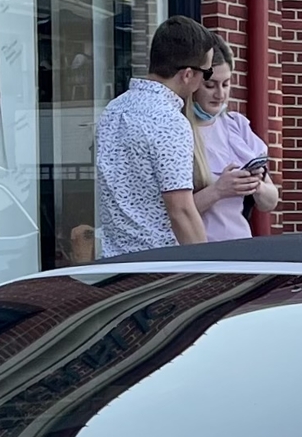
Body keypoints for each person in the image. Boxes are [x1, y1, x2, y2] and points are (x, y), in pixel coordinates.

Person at [90, 15, 220, 257]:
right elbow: (180, 210)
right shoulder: (170, 121)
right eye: (207, 71)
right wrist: (208, 268)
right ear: (188, 74)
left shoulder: (113, 110)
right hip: (158, 265)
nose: (207, 78)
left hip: (113, 261)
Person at [190, 37, 278, 242]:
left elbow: (270, 201)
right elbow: (174, 213)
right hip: (199, 251)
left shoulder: (236, 126)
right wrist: (218, 190)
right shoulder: (178, 131)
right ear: (193, 83)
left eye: (226, 84)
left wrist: (255, 185)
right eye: (210, 85)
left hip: (238, 247)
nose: (220, 94)